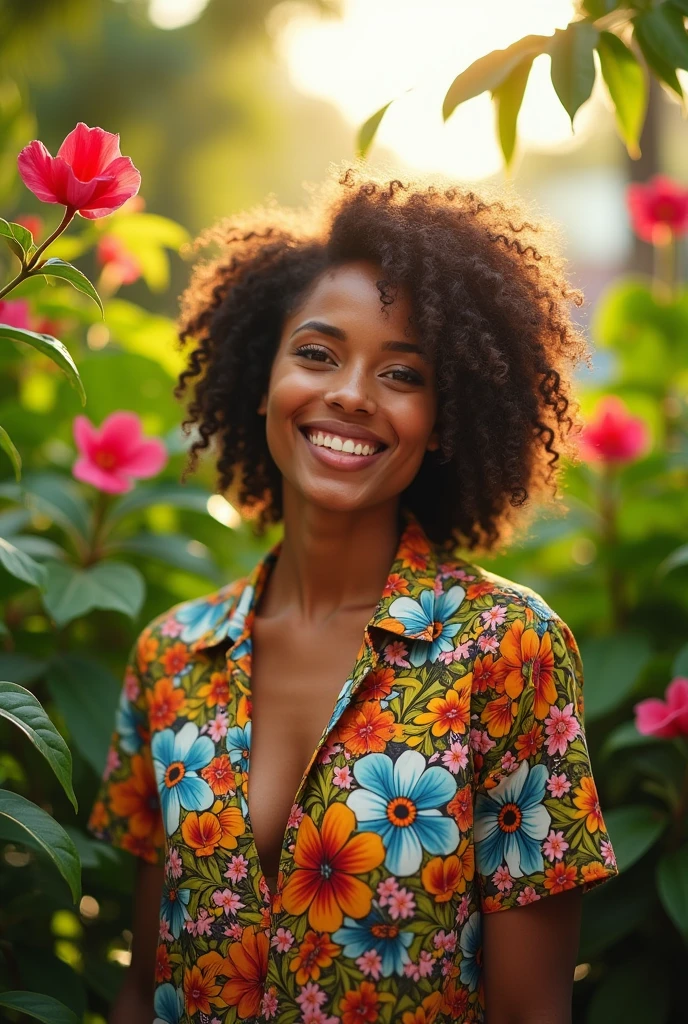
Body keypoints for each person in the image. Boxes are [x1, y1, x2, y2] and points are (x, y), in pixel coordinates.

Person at [88, 163, 619, 1024]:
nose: (349, 393)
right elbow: (137, 987)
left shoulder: (507, 647)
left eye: (402, 375)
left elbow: (534, 1012)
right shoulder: (171, 656)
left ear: (446, 418)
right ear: (262, 374)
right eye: (317, 354)